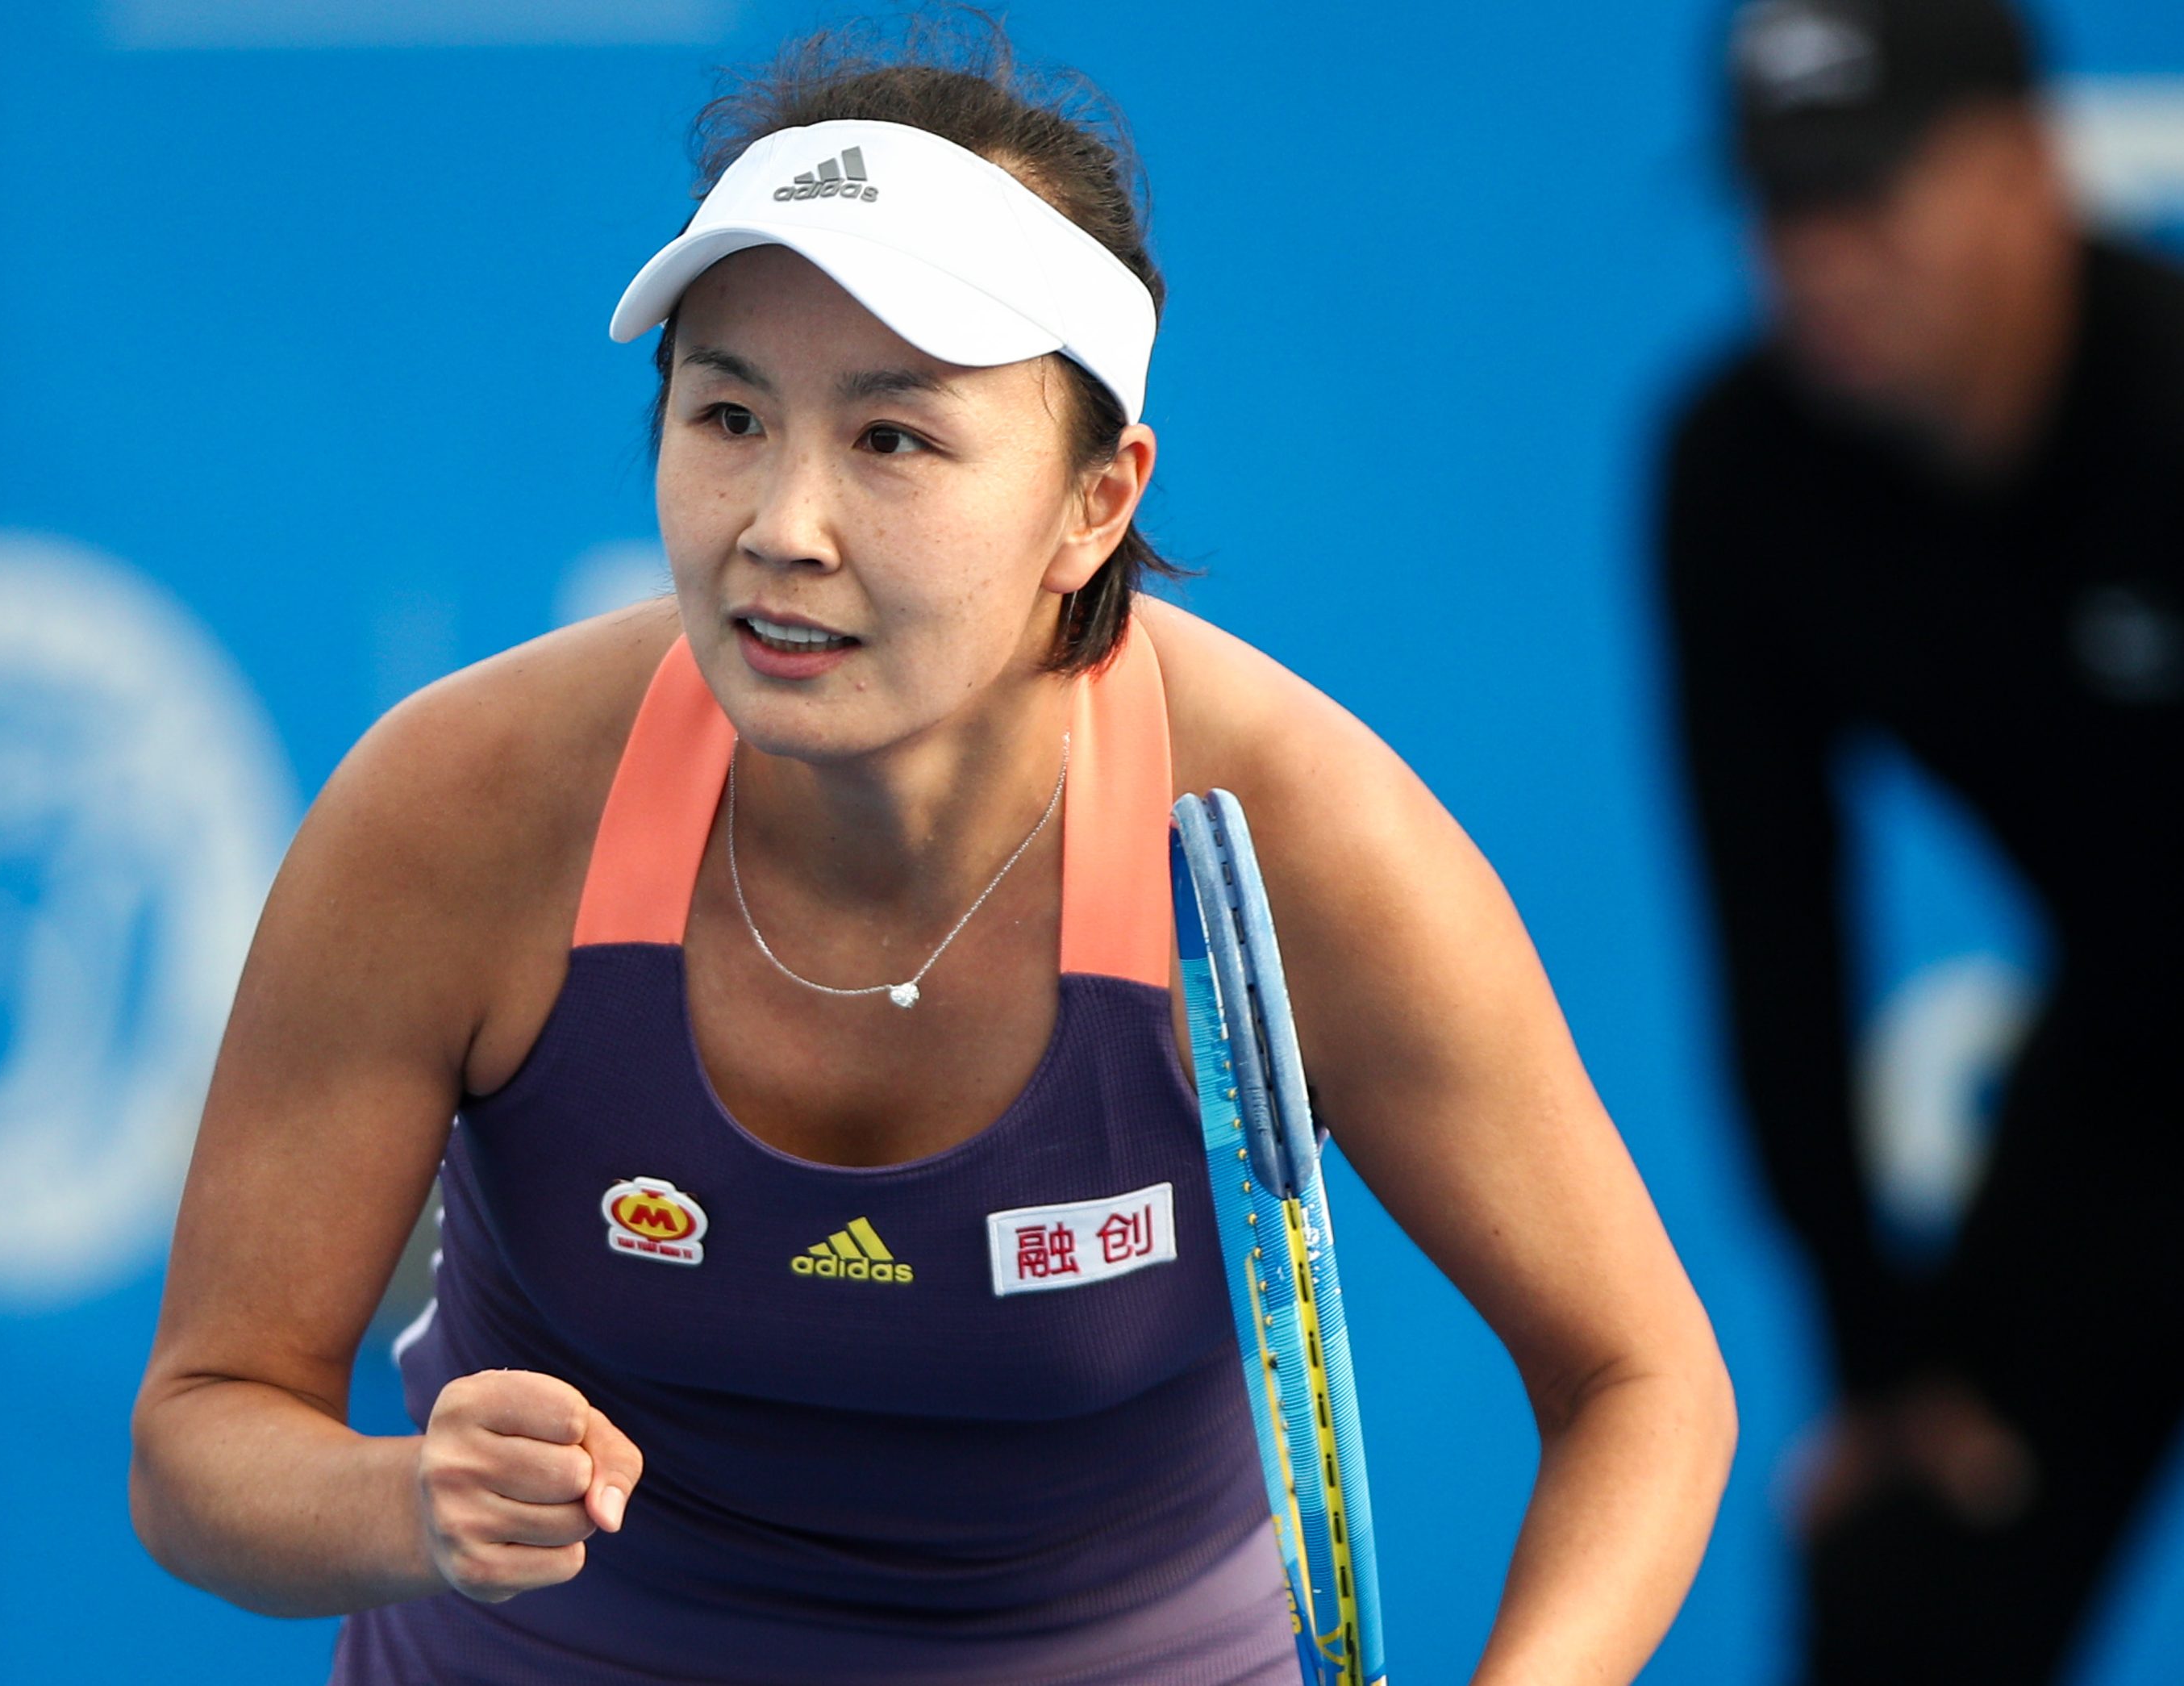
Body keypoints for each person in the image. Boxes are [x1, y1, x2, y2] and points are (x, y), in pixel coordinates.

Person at [131, 19, 1734, 1684]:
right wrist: (405, 1506)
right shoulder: (461, 809)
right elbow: (200, 1438)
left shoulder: (1294, 844)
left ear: (1093, 501)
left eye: (891, 438)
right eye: (728, 414)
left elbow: (1641, 1383)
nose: (781, 524)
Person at [1660, 0, 2184, 1680]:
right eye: (1774, 205)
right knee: (1906, 1575)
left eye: (1864, 193)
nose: (1814, 259)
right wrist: (1878, 1370)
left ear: (2032, 172)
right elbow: (1775, 931)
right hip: (2143, 1061)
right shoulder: (1737, 479)